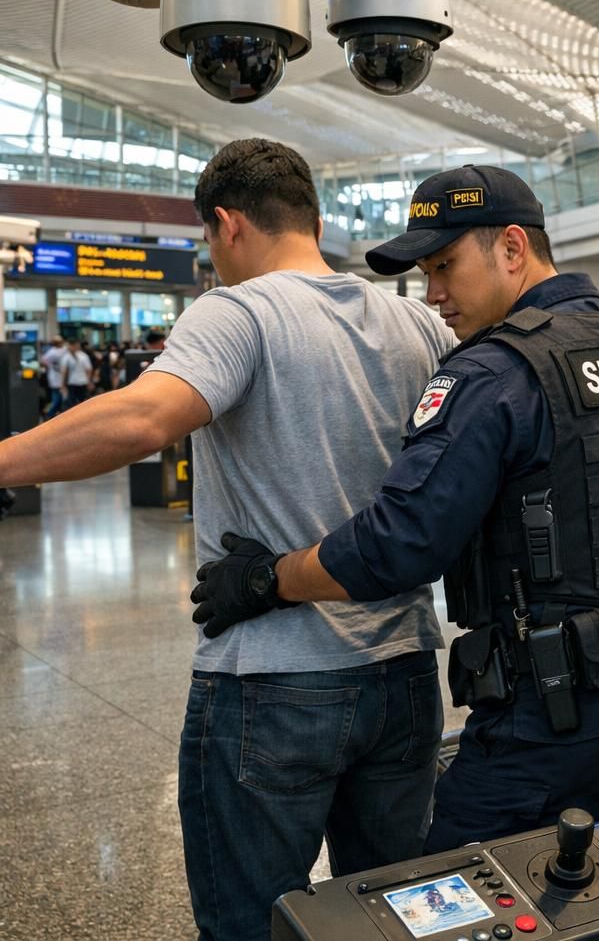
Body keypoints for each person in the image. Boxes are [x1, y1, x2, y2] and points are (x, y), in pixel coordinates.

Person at [188, 163, 599, 856]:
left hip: (556, 715)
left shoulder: (495, 372)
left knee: (456, 895)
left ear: (513, 249)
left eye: (445, 267)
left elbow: (398, 544)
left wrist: (265, 579)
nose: (433, 295)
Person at [0, 139, 455, 941]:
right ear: (313, 218)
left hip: (272, 681)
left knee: (252, 924)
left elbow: (143, 418)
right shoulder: (418, 321)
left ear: (225, 224)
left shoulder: (236, 310)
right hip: (407, 674)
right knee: (396, 919)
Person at [60, 339, 93, 409]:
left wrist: (89, 382)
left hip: (80, 382)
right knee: (75, 403)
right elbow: (64, 372)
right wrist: (63, 384)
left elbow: (88, 370)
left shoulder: (82, 356)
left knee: (78, 403)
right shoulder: (67, 357)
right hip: (73, 383)